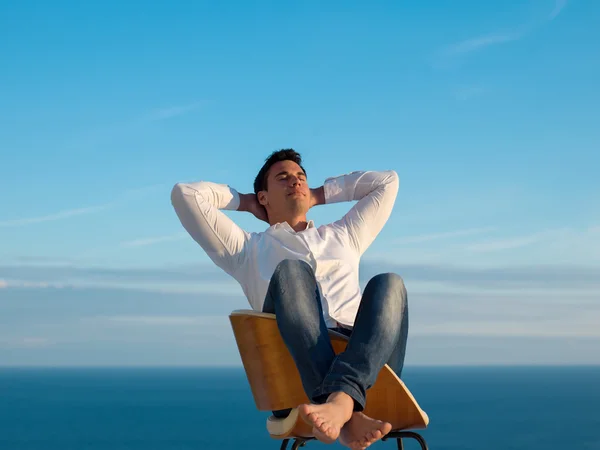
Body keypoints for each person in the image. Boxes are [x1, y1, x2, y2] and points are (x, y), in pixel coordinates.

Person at [170, 149, 408, 450]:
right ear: (264, 197)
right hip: (292, 375)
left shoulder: (344, 234)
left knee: (390, 283)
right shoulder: (247, 250)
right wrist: (246, 203)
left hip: (368, 362)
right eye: (282, 178)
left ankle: (342, 403)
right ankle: (346, 404)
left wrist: (320, 194)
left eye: (300, 178)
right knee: (292, 272)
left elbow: (387, 182)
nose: (295, 182)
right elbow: (185, 194)